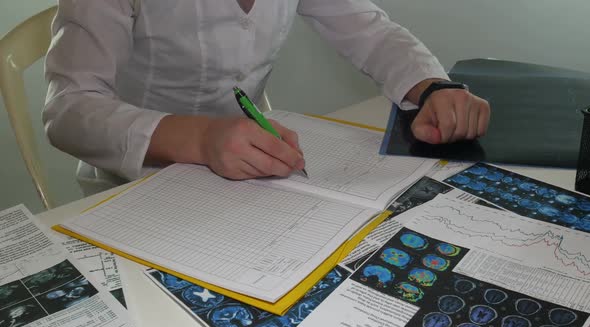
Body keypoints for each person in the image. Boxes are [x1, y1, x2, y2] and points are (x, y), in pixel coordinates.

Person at [43, 0, 490, 185]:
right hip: (134, 183)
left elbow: (370, 32)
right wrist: (200, 139)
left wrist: (432, 87)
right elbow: (69, 107)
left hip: (255, 174)